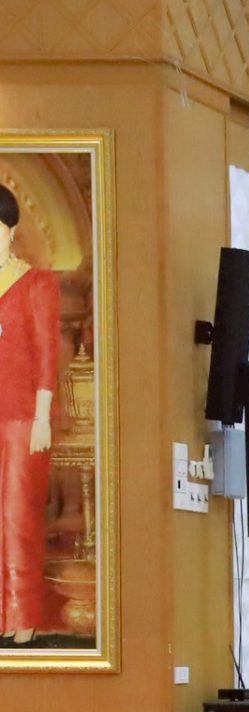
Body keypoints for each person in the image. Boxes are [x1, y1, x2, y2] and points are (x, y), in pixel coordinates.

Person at [0, 184, 61, 645]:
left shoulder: (36, 283)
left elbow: (46, 353)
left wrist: (42, 418)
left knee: (18, 518)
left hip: (24, 420)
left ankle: (23, 617)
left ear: (10, 231)